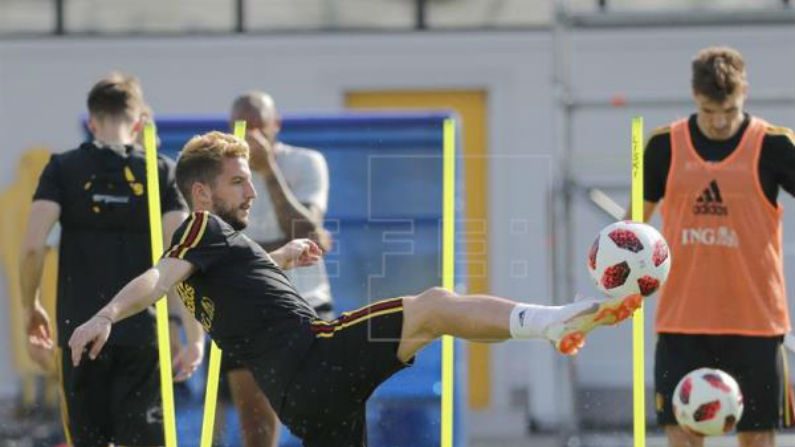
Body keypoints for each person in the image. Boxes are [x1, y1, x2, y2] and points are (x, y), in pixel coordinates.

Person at [68, 131, 642, 447]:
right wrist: (107, 315)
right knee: (433, 306)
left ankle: (550, 324)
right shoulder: (198, 229)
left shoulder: (217, 252)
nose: (250, 192)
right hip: (316, 358)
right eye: (237, 181)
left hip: (308, 404)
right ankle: (551, 322)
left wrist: (281, 256)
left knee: (432, 313)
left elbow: (224, 283)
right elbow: (157, 277)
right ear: (200, 195)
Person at [19, 73, 203, 447]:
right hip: (141, 335)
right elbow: (183, 254)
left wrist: (30, 307)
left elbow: (33, 247)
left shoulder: (62, 168)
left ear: (91, 122)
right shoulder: (161, 171)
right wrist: (194, 335)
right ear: (138, 123)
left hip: (79, 332)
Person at [630, 46, 795, 447]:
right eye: (709, 111)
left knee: (757, 438)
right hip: (681, 322)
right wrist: (618, 287)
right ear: (694, 96)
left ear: (745, 94)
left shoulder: (775, 145)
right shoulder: (662, 146)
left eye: (730, 110)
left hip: (755, 321)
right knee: (682, 435)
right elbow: (631, 229)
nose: (720, 122)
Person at [214, 91, 334, 447]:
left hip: (306, 301)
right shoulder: (218, 175)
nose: (252, 138)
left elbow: (304, 230)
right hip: (246, 308)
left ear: (275, 126)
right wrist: (285, 251)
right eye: (243, 129)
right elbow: (220, 251)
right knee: (256, 428)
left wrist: (268, 171)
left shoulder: (305, 162)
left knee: (320, 416)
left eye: (259, 128)